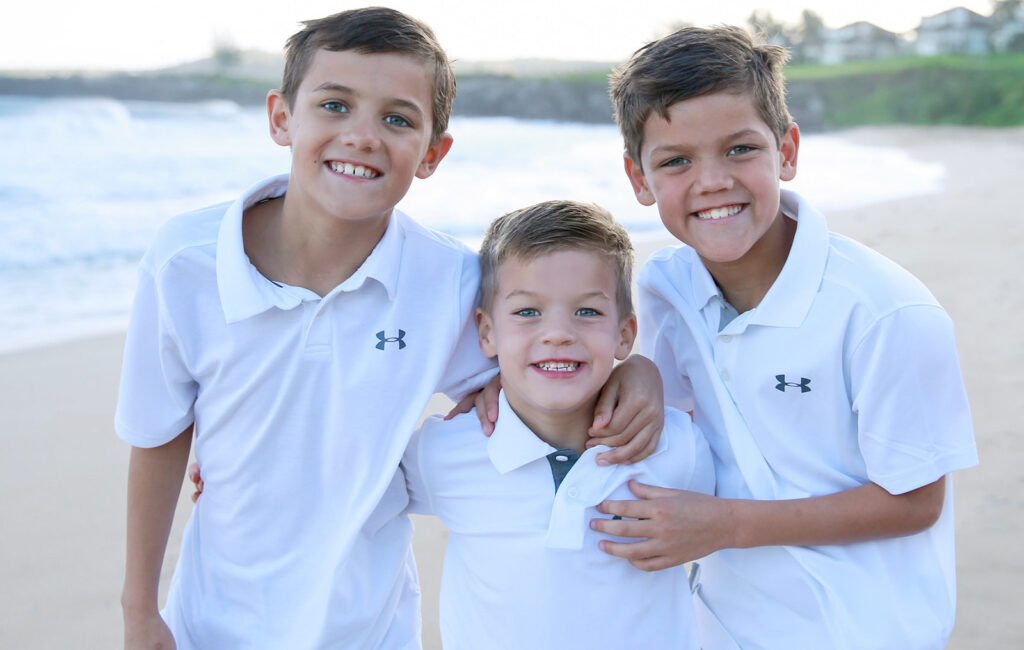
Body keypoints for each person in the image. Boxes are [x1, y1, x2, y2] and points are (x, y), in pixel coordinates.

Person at [114, 8, 662, 649]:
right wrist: (139, 610)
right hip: (211, 624)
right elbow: (158, 435)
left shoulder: (449, 282)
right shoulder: (186, 261)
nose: (362, 137)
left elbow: (546, 363)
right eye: (335, 105)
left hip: (370, 629)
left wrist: (637, 372)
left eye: (397, 119)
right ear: (281, 118)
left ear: (432, 153)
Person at [591, 25, 979, 649]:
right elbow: (671, 422)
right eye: (676, 161)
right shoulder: (667, 288)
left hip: (865, 632)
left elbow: (915, 502)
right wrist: (638, 371)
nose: (712, 181)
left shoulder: (884, 312)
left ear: (787, 150)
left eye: (740, 149)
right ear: (639, 179)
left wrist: (725, 525)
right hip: (723, 626)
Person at [401, 200, 714, 649]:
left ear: (625, 334)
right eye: (528, 312)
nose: (558, 333)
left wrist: (643, 369)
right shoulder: (443, 453)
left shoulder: (677, 447)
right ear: (486, 332)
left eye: (587, 312)